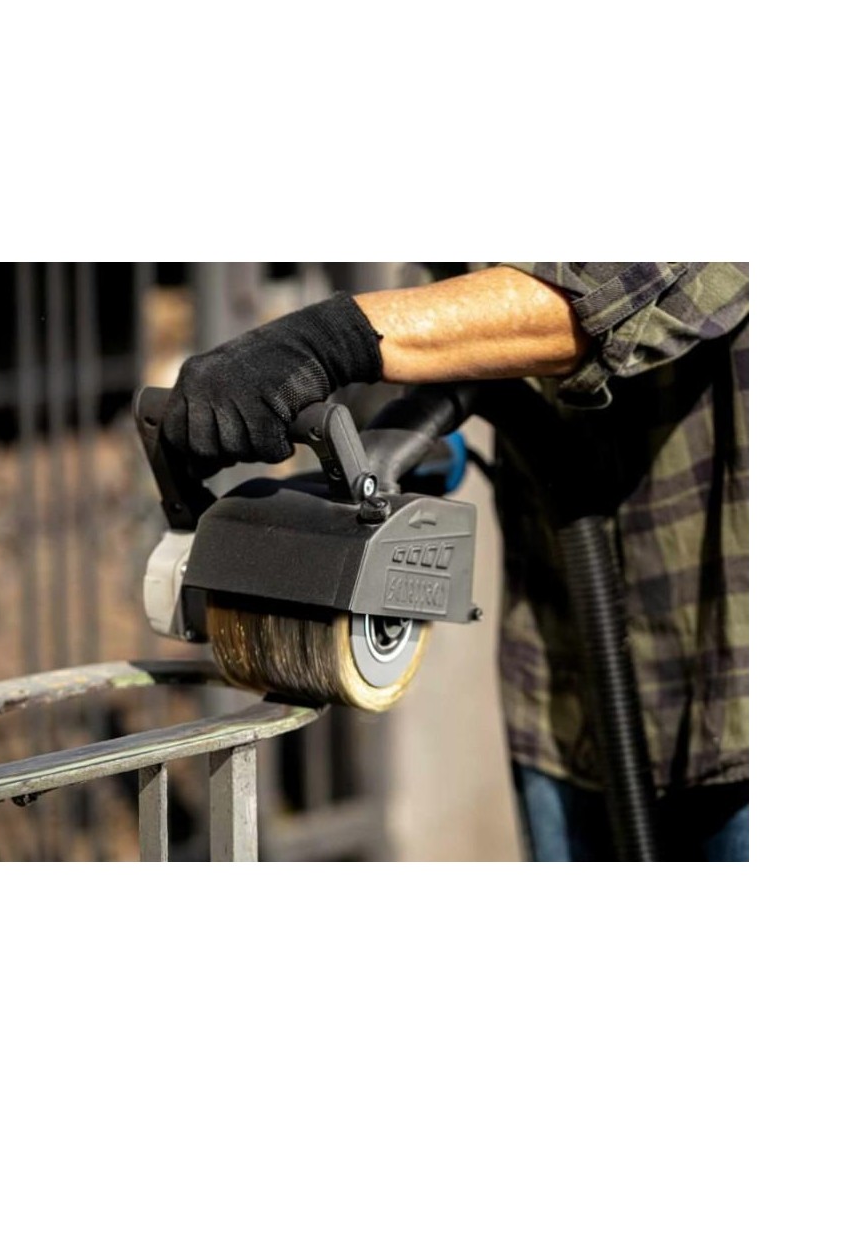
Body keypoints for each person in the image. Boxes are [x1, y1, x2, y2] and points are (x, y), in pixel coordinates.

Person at [161, 263, 749, 862]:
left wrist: (333, 339)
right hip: (557, 685)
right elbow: (453, 309)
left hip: (732, 694)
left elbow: (605, 293)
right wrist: (396, 436)